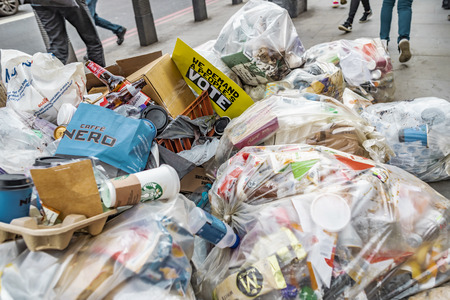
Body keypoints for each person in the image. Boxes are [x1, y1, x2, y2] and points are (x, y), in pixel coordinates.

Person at [31, 0, 106, 67]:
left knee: (58, 44)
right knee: (92, 40)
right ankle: (100, 77)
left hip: (39, 2)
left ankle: (57, 79)